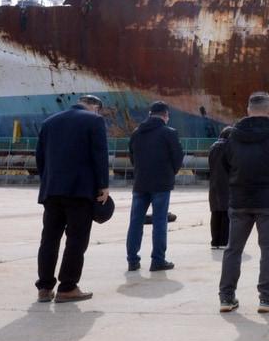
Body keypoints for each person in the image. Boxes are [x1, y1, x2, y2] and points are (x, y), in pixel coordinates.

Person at [217, 92, 269, 313]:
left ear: (248, 110)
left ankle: (226, 296)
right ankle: (266, 298)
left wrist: (237, 181)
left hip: (240, 199)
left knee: (233, 249)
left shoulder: (233, 135)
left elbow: (225, 163)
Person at [33, 95, 109, 303]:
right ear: (95, 107)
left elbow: (40, 157)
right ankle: (67, 287)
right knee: (76, 240)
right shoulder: (94, 120)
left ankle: (45, 288)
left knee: (49, 239)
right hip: (80, 191)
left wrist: (48, 181)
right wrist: (103, 185)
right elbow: (100, 154)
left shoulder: (49, 122)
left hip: (51, 190)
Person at [126, 101, 184, 272]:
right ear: (166, 115)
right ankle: (158, 260)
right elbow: (178, 157)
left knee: (136, 221)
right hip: (161, 184)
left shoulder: (136, 133)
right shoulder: (169, 133)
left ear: (150, 114)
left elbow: (132, 157)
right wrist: (170, 172)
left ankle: (132, 260)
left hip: (140, 183)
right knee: (160, 221)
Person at [207, 124, 234, 250]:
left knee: (215, 213)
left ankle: (214, 241)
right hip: (226, 184)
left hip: (214, 184)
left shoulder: (212, 147)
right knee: (225, 213)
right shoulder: (229, 147)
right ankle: (223, 241)